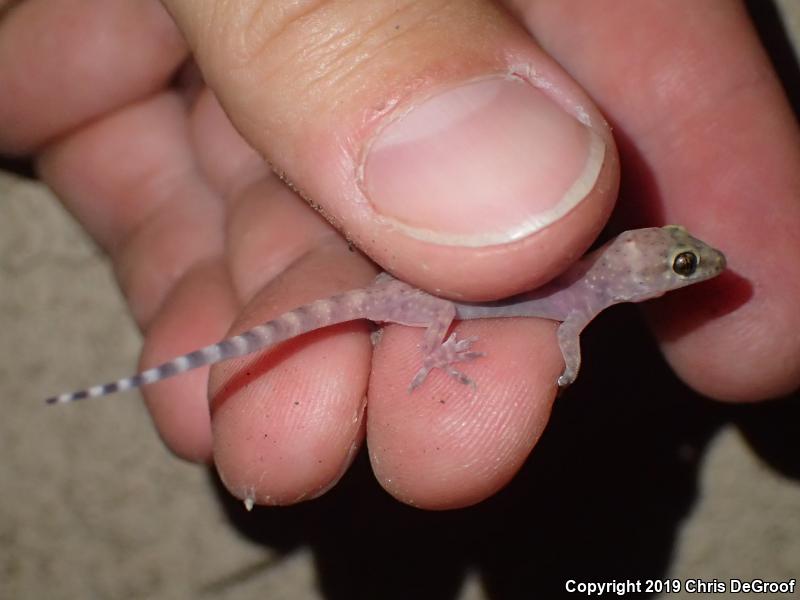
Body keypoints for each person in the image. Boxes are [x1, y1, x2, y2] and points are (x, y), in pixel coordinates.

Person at [1, 0, 798, 510]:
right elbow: (563, 347)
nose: (688, 261)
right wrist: (552, 363)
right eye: (681, 260)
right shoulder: (582, 299)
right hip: (422, 301)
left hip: (413, 288)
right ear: (638, 264)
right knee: (406, 322)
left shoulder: (592, 277)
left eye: (681, 258)